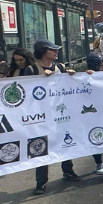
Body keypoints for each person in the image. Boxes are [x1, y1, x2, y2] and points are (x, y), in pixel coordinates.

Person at [25, 40, 84, 192]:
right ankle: (41, 181)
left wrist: (72, 76)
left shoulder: (60, 67)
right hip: (41, 115)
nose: (56, 53)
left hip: (59, 113)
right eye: (53, 50)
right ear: (43, 52)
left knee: (65, 141)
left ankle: (68, 170)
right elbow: (27, 93)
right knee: (41, 146)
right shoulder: (31, 70)